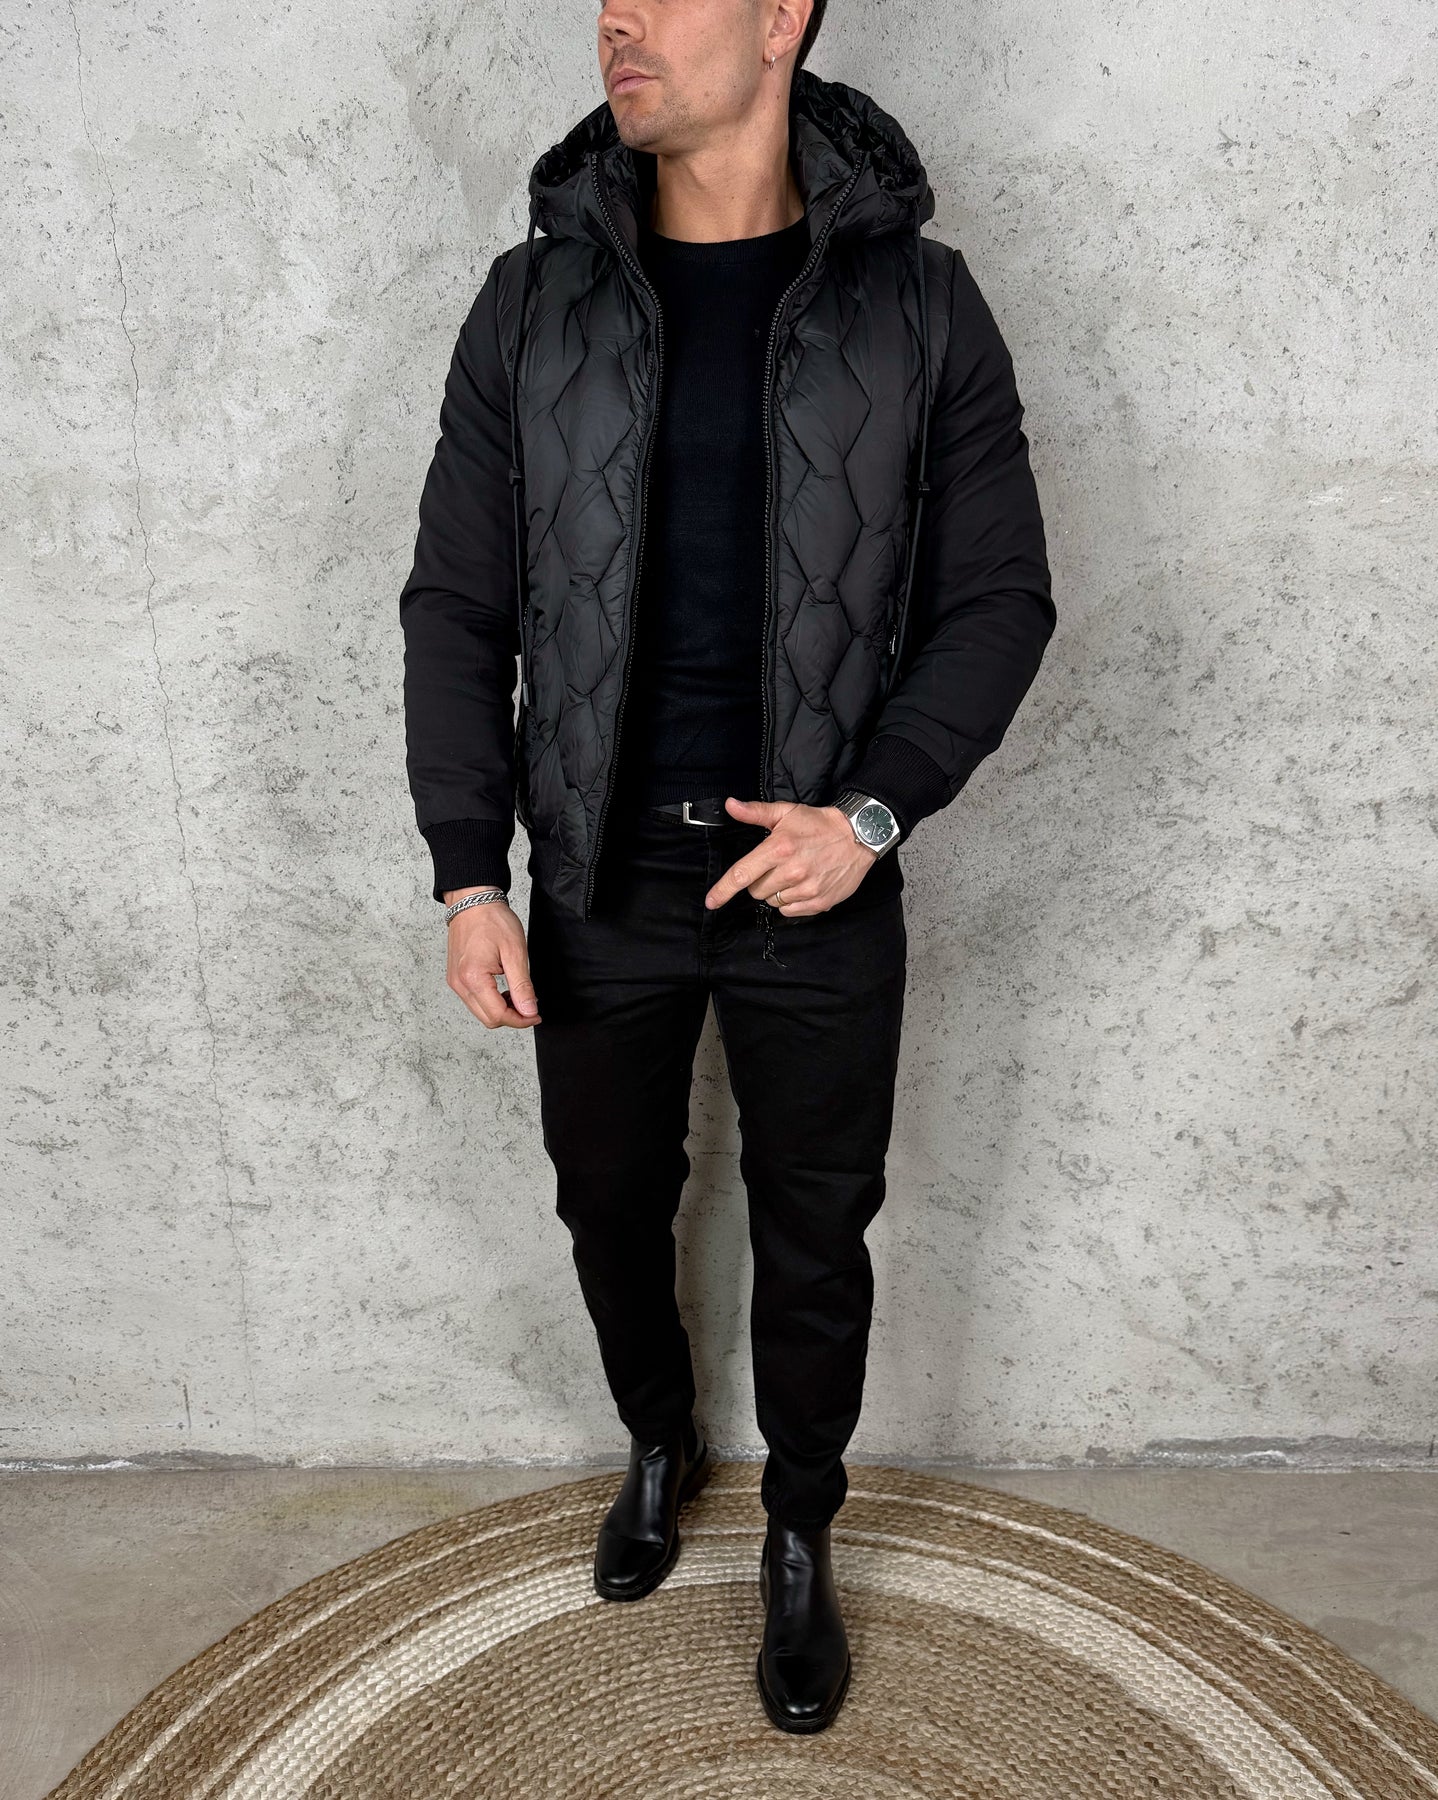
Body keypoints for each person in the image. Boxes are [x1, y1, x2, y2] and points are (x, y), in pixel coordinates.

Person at [398, 0, 1055, 1734]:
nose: (615, 19)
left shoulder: (920, 304)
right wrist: (470, 874)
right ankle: (657, 1441)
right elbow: (457, 606)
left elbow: (998, 598)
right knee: (607, 1200)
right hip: (594, 878)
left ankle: (798, 1528)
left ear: (780, 17)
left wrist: (871, 817)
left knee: (815, 1229)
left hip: (816, 877)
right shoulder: (529, 303)